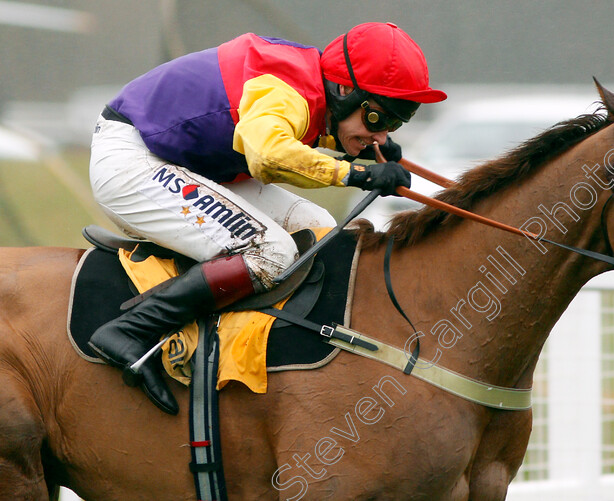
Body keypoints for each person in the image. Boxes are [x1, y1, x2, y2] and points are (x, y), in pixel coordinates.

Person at [87, 22, 446, 414]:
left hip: (182, 160)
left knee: (319, 228)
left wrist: (357, 146)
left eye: (394, 124)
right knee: (271, 250)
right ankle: (130, 330)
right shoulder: (286, 87)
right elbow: (268, 155)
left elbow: (301, 127)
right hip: (132, 160)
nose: (380, 136)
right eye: (376, 120)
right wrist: (355, 174)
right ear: (344, 90)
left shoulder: (311, 85)